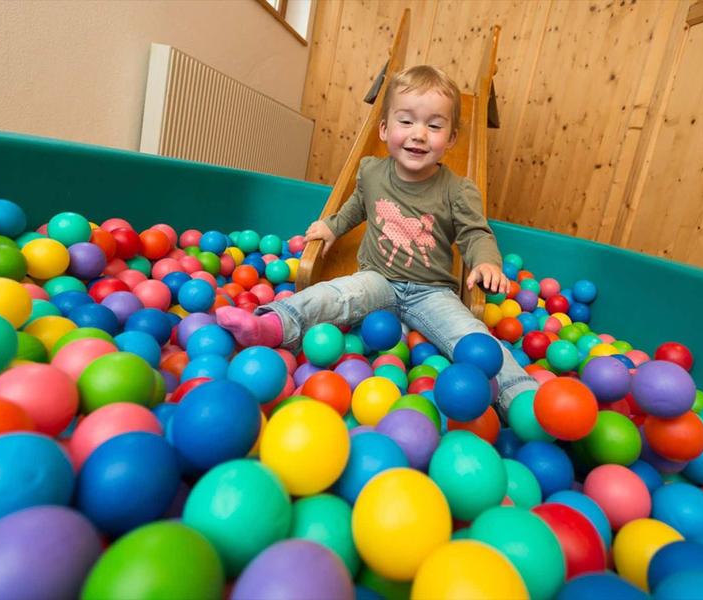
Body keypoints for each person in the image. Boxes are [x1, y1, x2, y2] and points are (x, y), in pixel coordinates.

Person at [218, 65, 537, 414]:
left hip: (431, 291)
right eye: (406, 122)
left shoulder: (457, 190)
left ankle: (523, 399)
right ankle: (274, 325)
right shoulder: (371, 171)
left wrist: (486, 261)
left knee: (473, 337)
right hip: (377, 280)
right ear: (384, 129)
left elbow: (475, 232)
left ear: (452, 139)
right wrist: (334, 226)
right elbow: (358, 205)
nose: (419, 134)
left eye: (434, 125)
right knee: (335, 294)